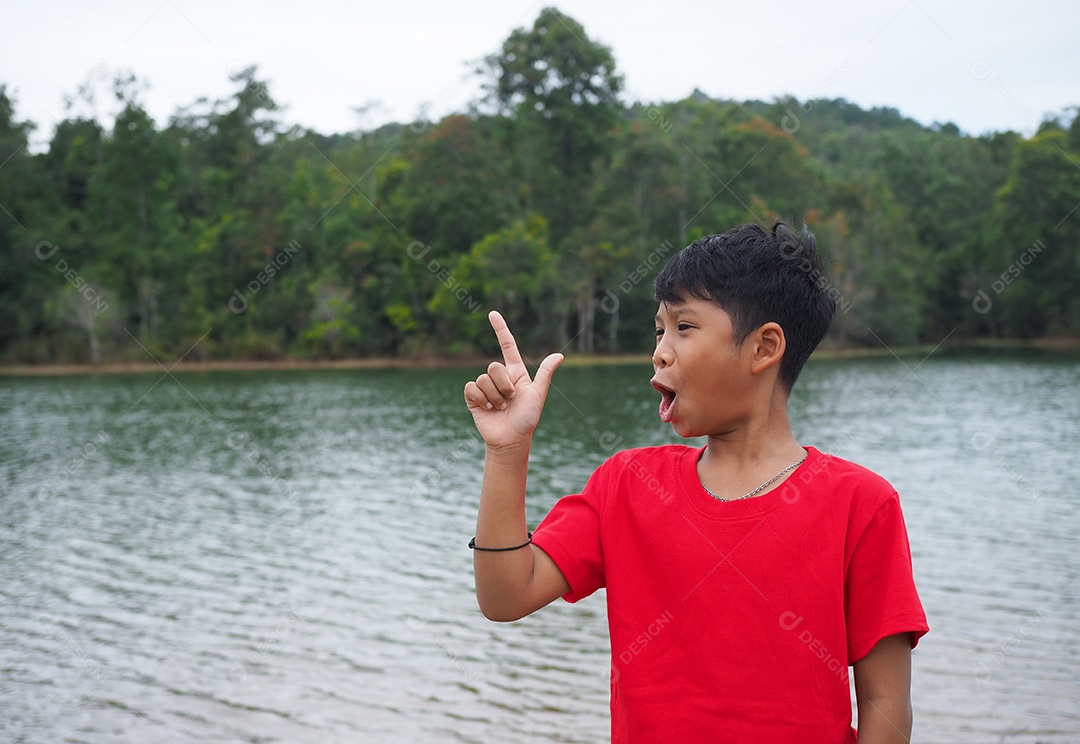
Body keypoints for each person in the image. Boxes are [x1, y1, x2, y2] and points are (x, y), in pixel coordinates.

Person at [463, 221, 929, 743]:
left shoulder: (860, 503)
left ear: (763, 348)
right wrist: (507, 452)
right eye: (659, 330)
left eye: (684, 328)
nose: (660, 351)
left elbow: (885, 702)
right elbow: (504, 597)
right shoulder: (628, 484)